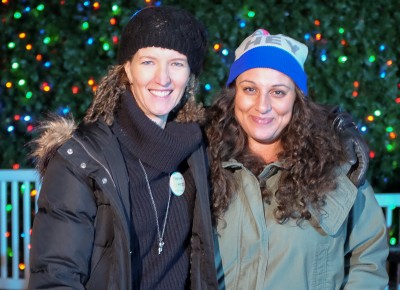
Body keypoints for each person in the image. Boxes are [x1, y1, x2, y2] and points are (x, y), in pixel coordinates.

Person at [28, 6, 218, 290]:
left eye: (176, 63)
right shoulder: (81, 159)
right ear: (128, 69)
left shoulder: (197, 152)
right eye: (148, 62)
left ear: (190, 73)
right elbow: (55, 277)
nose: (162, 78)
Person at [207, 29, 388, 290]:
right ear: (234, 94)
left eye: (278, 92)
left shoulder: (337, 169)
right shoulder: (202, 165)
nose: (262, 106)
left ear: (297, 99)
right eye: (250, 89)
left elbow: (367, 259)